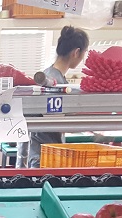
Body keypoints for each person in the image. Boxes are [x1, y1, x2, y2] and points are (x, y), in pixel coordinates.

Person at [27, 26, 90, 168]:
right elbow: (56, 121)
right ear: (76, 52)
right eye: (84, 53)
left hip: (45, 154)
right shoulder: (54, 81)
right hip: (44, 158)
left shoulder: (52, 76)